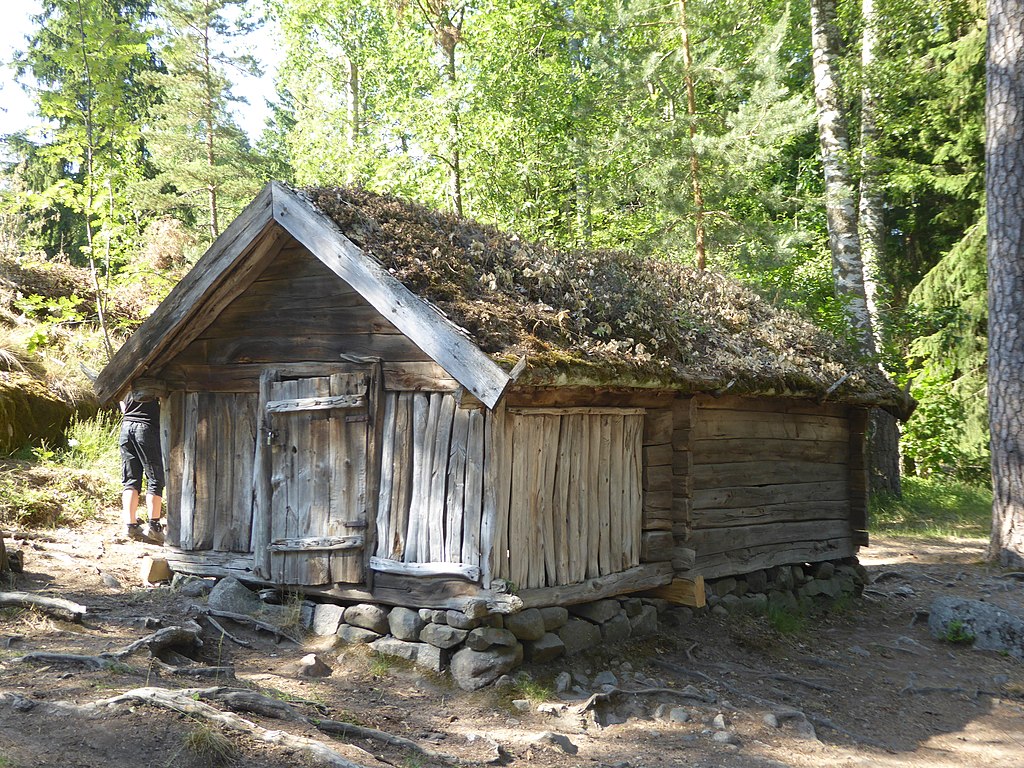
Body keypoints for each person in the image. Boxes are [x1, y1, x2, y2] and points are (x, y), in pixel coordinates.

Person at [119, 393, 165, 544]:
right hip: (146, 428)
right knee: (155, 478)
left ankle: (130, 525)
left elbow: (122, 405)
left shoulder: (125, 380)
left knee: (130, 479)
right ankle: (154, 526)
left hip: (126, 427)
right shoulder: (151, 376)